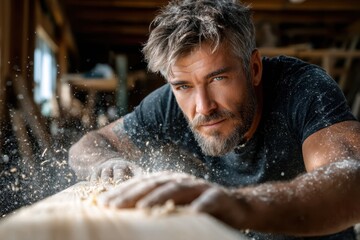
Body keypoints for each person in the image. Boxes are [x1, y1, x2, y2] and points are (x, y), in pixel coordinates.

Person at [69, 0, 360, 239]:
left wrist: (239, 205)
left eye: (218, 78)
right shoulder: (169, 105)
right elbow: (90, 145)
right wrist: (107, 163)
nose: (203, 107)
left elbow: (351, 180)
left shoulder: (303, 89)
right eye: (183, 86)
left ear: (254, 69)